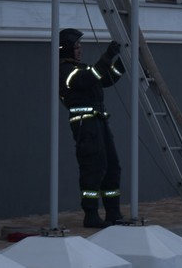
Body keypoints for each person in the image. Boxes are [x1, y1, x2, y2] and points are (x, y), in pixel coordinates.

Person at [58, 28, 124, 227]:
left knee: (112, 166)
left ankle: (113, 212)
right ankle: (91, 215)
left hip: (99, 121)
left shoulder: (81, 68)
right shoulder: (66, 72)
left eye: (80, 47)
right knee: (93, 167)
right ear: (66, 49)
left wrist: (122, 65)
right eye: (76, 47)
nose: (80, 51)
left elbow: (104, 79)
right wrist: (109, 55)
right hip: (85, 125)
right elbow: (90, 77)